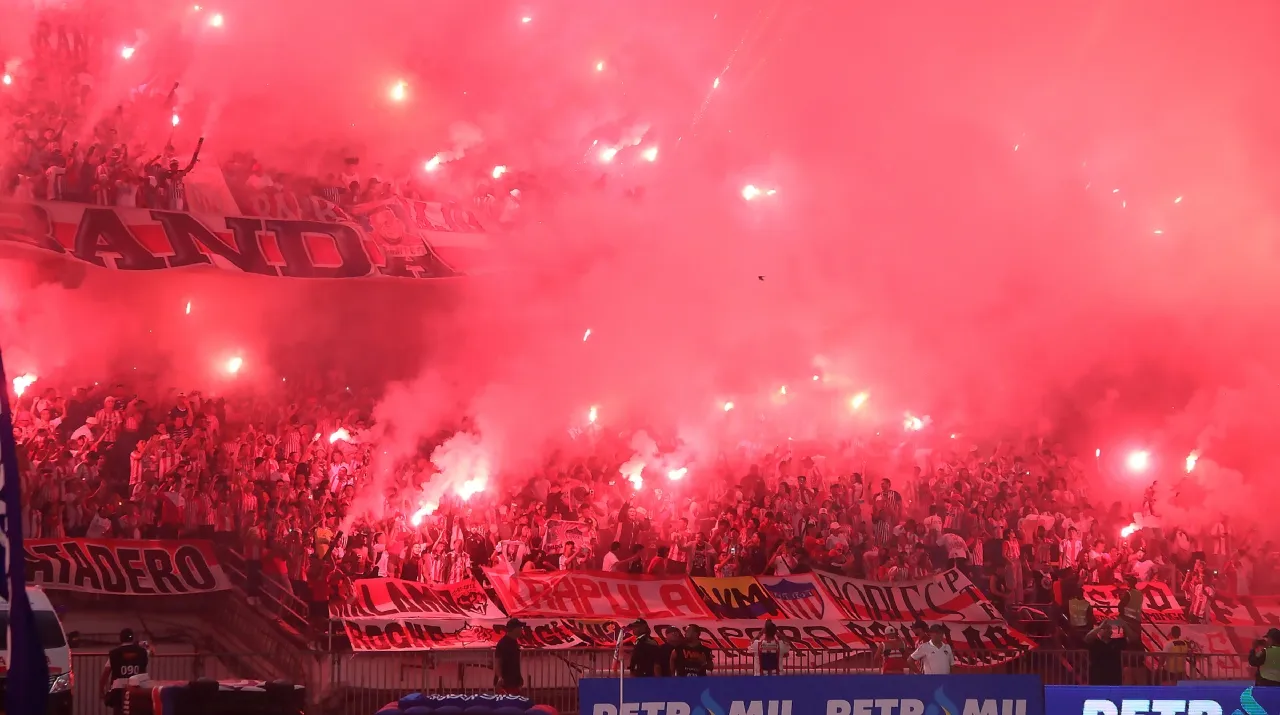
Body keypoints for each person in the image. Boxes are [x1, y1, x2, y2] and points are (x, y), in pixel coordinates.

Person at [100, 628, 149, 713]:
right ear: (132, 638)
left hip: (118, 690)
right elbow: (150, 655)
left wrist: (102, 691)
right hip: (137, 689)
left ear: (120, 638)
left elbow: (105, 674)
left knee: (119, 711)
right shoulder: (142, 652)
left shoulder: (114, 653)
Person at [1085, 620, 1128, 686]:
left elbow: (1132, 639)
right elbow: (1087, 638)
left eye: (1109, 628)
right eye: (1104, 628)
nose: (1107, 630)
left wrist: (1124, 626)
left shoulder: (1117, 642)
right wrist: (1099, 627)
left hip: (1114, 675)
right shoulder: (1095, 642)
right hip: (1097, 675)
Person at [495, 618, 525, 694]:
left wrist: (519, 678)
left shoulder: (514, 642)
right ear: (514, 629)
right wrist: (500, 678)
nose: (521, 630)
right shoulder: (503, 643)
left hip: (514, 681)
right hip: (506, 683)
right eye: (520, 628)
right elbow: (498, 661)